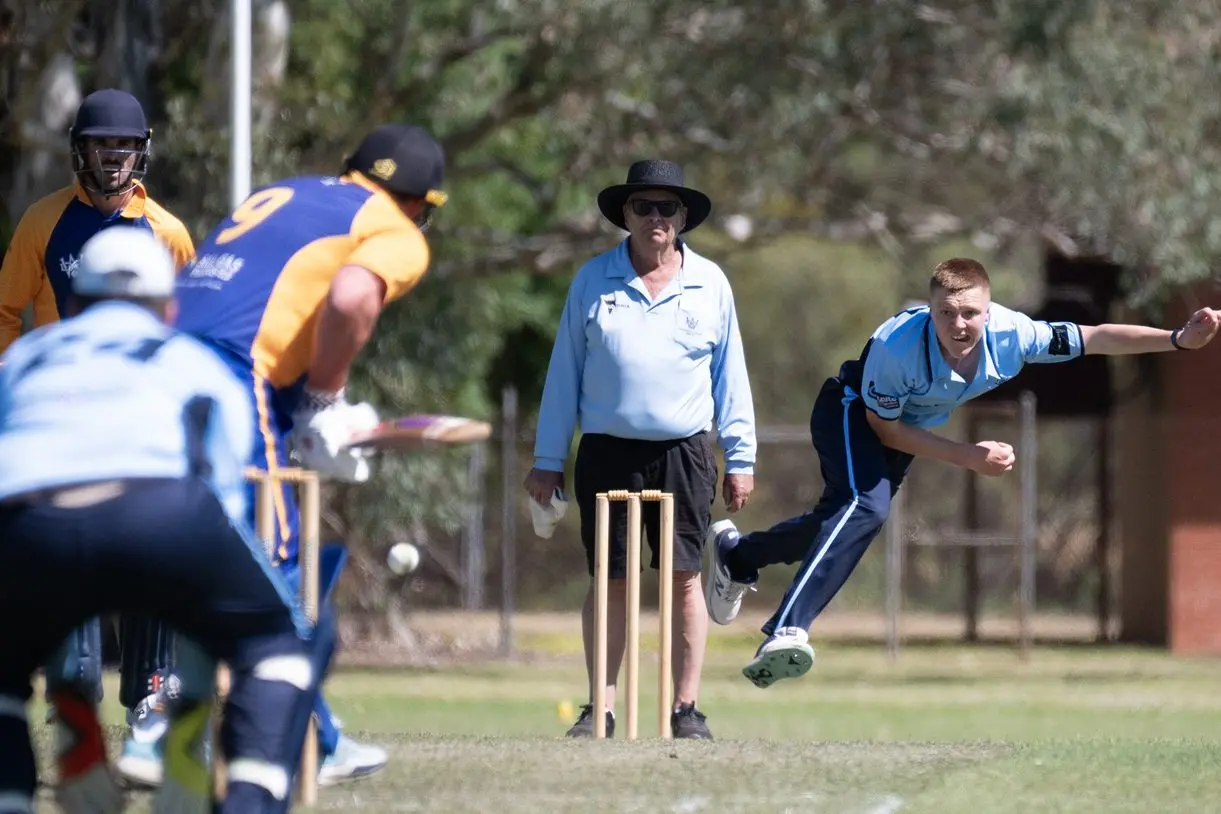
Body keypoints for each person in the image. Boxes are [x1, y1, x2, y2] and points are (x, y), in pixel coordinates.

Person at [705, 257, 1221, 687]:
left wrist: (1177, 338)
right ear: (929, 310)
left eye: (970, 313)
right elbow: (885, 431)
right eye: (946, 312)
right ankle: (788, 629)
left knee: (840, 524)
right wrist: (969, 456)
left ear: (988, 310)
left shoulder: (1015, 335)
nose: (959, 325)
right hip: (849, 410)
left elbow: (1097, 337)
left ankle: (739, 555)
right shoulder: (896, 348)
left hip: (905, 425)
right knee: (865, 507)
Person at [0, 226, 335, 814]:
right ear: (170, 308)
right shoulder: (191, 357)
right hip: (165, 513)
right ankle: (240, 788)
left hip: (32, 520)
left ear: (73, 305)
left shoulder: (26, 357)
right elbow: (224, 499)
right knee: (284, 643)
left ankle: (58, 732)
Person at [173, 122, 449, 783]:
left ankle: (286, 734)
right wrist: (325, 401)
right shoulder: (396, 230)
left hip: (160, 357)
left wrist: (304, 406)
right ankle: (284, 741)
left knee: (193, 553)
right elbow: (351, 298)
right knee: (276, 561)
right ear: (422, 203)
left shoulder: (288, 191)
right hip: (232, 375)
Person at [0, 87, 196, 787]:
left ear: (140, 150)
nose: (113, 158)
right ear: (78, 151)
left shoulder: (166, 232)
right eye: (100, 145)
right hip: (57, 431)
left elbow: (187, 333)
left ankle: (150, 705)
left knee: (148, 564)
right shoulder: (42, 223)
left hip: (138, 431)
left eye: (124, 146)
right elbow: (5, 312)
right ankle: (74, 706)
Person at [524, 159, 757, 740]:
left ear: (683, 218)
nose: (655, 217)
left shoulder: (711, 284)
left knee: (683, 579)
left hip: (685, 451)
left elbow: (731, 377)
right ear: (625, 214)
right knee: (611, 579)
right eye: (643, 207)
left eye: (667, 208)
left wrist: (741, 456)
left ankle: (686, 709)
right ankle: (599, 709)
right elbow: (563, 376)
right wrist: (548, 458)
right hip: (608, 450)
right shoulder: (592, 280)